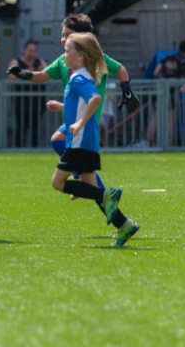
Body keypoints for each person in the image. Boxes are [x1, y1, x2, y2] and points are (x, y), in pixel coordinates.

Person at [8, 14, 140, 189]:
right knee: (57, 141)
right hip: (75, 116)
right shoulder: (65, 60)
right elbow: (41, 76)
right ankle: (93, 187)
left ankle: (103, 197)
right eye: (62, 35)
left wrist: (126, 90)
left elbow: (120, 69)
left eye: (68, 35)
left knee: (78, 179)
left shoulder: (94, 59)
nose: (63, 39)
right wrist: (23, 74)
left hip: (86, 118)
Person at [48, 33, 140, 246]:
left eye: (67, 51)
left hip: (78, 142)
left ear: (80, 57)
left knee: (58, 183)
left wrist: (79, 124)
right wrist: (61, 107)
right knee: (94, 192)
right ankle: (125, 226)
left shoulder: (78, 77)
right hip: (87, 142)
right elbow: (82, 103)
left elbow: (95, 99)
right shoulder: (83, 77)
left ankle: (109, 193)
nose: (64, 55)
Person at [147, 35, 185, 147]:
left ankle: (149, 143)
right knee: (170, 120)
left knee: (154, 117)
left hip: (159, 89)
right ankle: (168, 146)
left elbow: (156, 72)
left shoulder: (167, 57)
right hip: (172, 92)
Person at [7, 40, 48, 148]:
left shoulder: (40, 62)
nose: (32, 53)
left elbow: (47, 73)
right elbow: (11, 76)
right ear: (24, 50)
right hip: (21, 102)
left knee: (35, 127)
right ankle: (18, 150)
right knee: (21, 127)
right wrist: (28, 72)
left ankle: (34, 150)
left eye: (34, 51)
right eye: (29, 50)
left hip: (37, 101)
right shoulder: (16, 62)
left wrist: (39, 71)